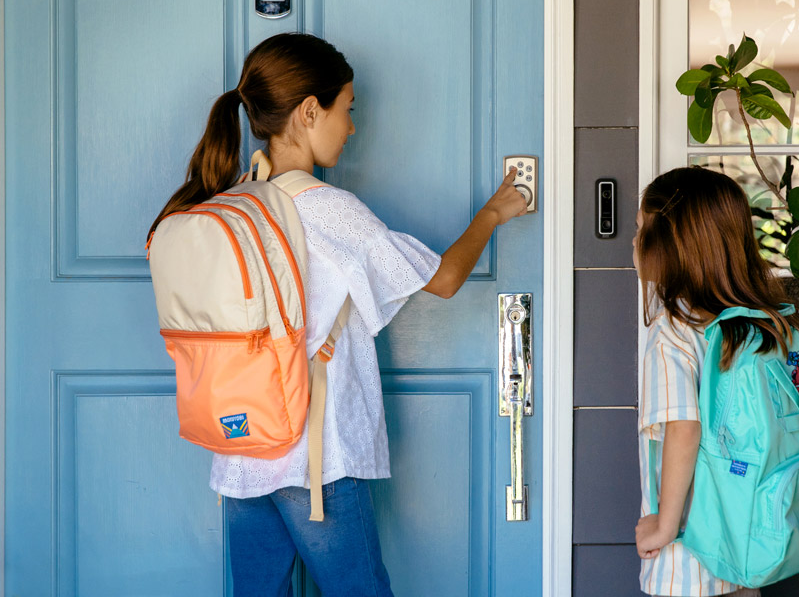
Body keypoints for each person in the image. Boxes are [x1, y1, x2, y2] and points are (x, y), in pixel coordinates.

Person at [148, 33, 528, 597]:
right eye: (346, 109)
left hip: (241, 448)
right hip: (314, 453)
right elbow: (444, 280)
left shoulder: (231, 200)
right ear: (308, 112)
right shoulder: (326, 208)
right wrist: (493, 213)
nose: (351, 127)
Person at [631, 166, 799, 597]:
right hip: (745, 548)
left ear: (672, 244)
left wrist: (663, 526)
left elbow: (684, 428)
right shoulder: (767, 324)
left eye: (641, 228)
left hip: (688, 557)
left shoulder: (674, 330)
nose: (634, 241)